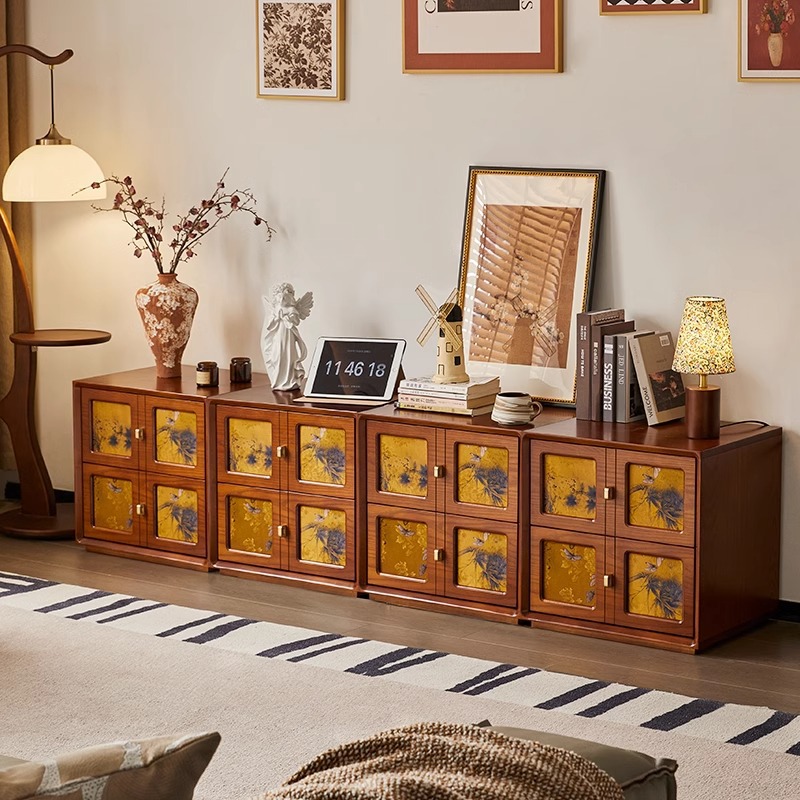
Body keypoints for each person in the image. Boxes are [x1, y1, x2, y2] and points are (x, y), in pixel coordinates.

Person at [261, 282, 314, 391]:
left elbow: (296, 321)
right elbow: (269, 326)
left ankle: (290, 379)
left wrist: (288, 318)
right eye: (279, 296)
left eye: (284, 297)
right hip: (278, 336)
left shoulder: (291, 309)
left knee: (288, 356)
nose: (282, 299)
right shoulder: (275, 309)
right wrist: (276, 318)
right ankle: (278, 379)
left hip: (288, 336)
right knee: (277, 355)